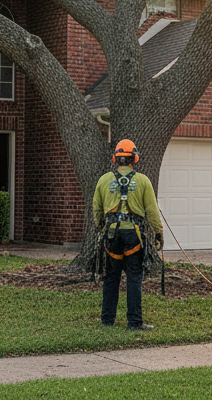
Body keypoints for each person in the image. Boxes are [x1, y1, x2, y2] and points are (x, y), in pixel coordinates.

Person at [93, 138, 163, 331]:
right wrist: (159, 233)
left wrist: (101, 229)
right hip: (134, 236)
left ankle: (107, 320)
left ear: (116, 158)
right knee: (134, 278)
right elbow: (152, 211)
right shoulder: (142, 181)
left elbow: (97, 209)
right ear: (135, 158)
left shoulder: (104, 180)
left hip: (111, 235)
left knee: (111, 278)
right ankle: (134, 322)